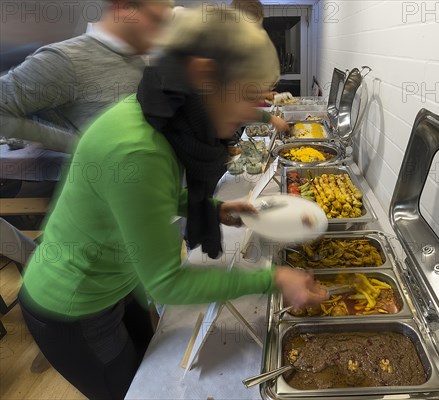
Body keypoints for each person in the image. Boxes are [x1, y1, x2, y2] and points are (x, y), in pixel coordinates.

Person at [18, 6, 327, 399]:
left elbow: (149, 197)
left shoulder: (161, 115)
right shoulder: (138, 149)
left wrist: (211, 209)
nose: (253, 113)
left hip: (116, 282)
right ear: (203, 76)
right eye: (248, 96)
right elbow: (167, 283)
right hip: (71, 305)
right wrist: (273, 280)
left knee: (145, 365)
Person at [0, 0, 174, 153]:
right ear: (122, 7)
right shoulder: (64, 60)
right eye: (155, 20)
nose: (161, 33)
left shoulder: (141, 62)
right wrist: (80, 145)